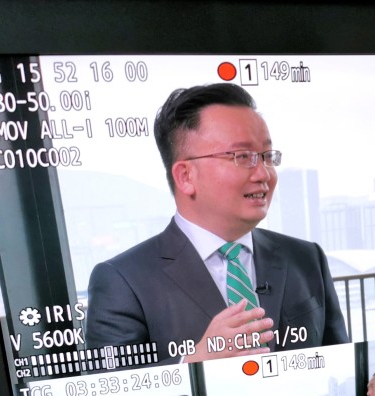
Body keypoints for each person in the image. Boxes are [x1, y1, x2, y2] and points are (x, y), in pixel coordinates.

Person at [85, 83, 349, 363]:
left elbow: (343, 364)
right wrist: (194, 364)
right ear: (186, 176)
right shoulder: (121, 281)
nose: (263, 173)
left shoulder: (306, 258)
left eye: (267, 156)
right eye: (242, 157)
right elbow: (111, 392)